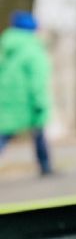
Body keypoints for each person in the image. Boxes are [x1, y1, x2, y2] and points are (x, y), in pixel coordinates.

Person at [0, 10, 54, 177]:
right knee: (38, 131)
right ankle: (45, 167)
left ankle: (46, 166)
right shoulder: (33, 49)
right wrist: (40, 102)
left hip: (6, 98)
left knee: (4, 133)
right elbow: (37, 80)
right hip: (27, 100)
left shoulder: (7, 46)